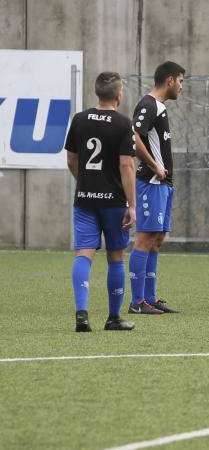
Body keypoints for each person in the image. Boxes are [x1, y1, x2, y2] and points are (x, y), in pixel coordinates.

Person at [65, 72, 137, 332]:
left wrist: (84, 182)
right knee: (116, 255)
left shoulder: (80, 119)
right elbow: (127, 165)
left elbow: (72, 160)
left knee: (84, 253)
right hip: (114, 201)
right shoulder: (122, 124)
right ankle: (113, 318)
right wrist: (132, 205)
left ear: (97, 93)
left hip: (85, 198)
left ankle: (82, 314)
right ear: (119, 94)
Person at [128, 61, 185, 315]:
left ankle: (149, 298)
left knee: (157, 238)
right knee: (145, 238)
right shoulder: (148, 104)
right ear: (170, 80)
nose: (182, 87)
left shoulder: (159, 107)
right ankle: (136, 302)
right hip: (151, 182)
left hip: (164, 183)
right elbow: (134, 136)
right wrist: (153, 165)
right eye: (181, 81)